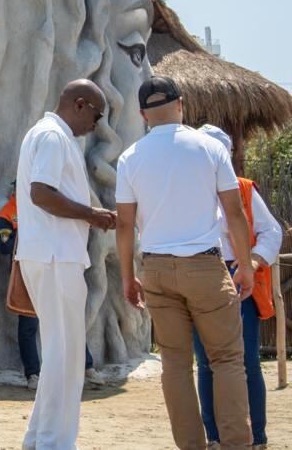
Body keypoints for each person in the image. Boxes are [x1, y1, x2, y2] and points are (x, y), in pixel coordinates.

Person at [115, 76, 255, 450]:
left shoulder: (130, 158)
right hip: (206, 266)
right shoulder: (210, 147)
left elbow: (125, 224)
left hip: (157, 268)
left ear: (143, 115)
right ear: (181, 105)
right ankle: (237, 444)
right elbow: (235, 212)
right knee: (226, 359)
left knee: (175, 365)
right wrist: (245, 265)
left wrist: (129, 277)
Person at [15, 80, 117, 450]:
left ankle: (40, 438)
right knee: (66, 354)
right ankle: (54, 442)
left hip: (50, 254)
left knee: (62, 351)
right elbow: (41, 193)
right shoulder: (54, 137)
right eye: (97, 114)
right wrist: (92, 214)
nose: (97, 124)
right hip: (55, 255)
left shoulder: (47, 135)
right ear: (79, 104)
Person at [193, 125, 282, 450]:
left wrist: (253, 263)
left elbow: (272, 231)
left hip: (236, 277)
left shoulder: (243, 190)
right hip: (200, 275)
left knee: (246, 361)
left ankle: (255, 437)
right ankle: (214, 437)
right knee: (205, 363)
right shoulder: (187, 192)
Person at [0, 185, 107, 391]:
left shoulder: (45, 209)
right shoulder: (6, 214)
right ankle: (33, 374)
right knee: (28, 326)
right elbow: (4, 245)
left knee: (69, 319)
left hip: (56, 270)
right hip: (28, 275)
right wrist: (28, 238)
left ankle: (86, 367)